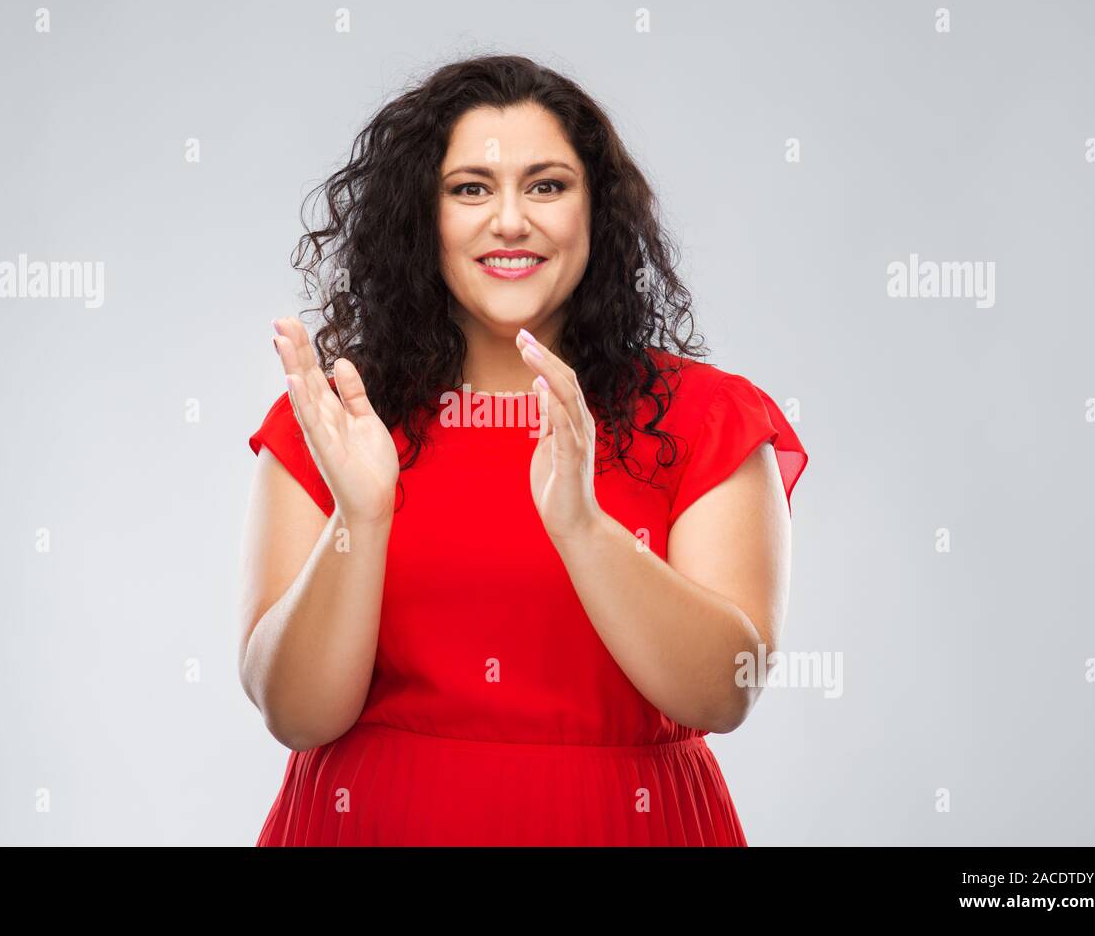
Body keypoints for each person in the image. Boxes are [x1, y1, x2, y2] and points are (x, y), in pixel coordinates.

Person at [238, 54, 808, 845]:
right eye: (471, 188)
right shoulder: (336, 419)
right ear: (420, 216)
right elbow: (295, 714)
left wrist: (581, 525)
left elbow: (723, 695)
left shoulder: (707, 418)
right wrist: (359, 519)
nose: (510, 221)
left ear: (596, 212)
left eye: (547, 186)